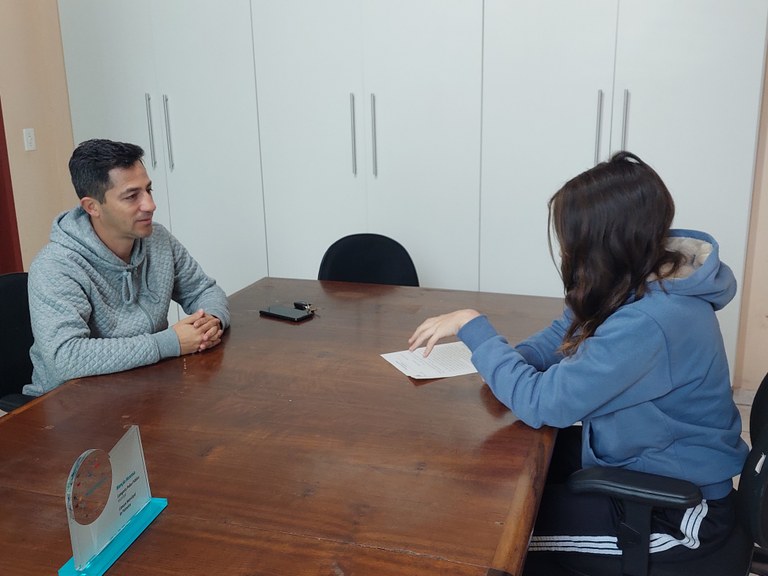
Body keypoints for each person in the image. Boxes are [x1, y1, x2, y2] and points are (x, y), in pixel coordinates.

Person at [408, 152, 748, 574]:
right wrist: (512, 363)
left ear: (604, 241)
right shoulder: (642, 278)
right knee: (493, 473)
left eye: (572, 239)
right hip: (636, 461)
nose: (567, 250)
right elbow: (565, 333)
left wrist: (473, 327)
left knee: (486, 532)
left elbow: (543, 404)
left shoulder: (651, 321)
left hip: (675, 516)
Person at [24, 139, 229, 397]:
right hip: (69, 403)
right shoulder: (55, 266)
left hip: (146, 387)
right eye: (132, 196)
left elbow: (203, 290)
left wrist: (211, 320)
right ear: (92, 207)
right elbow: (65, 357)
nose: (150, 205)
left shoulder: (158, 239)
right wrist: (170, 342)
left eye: (148, 190)